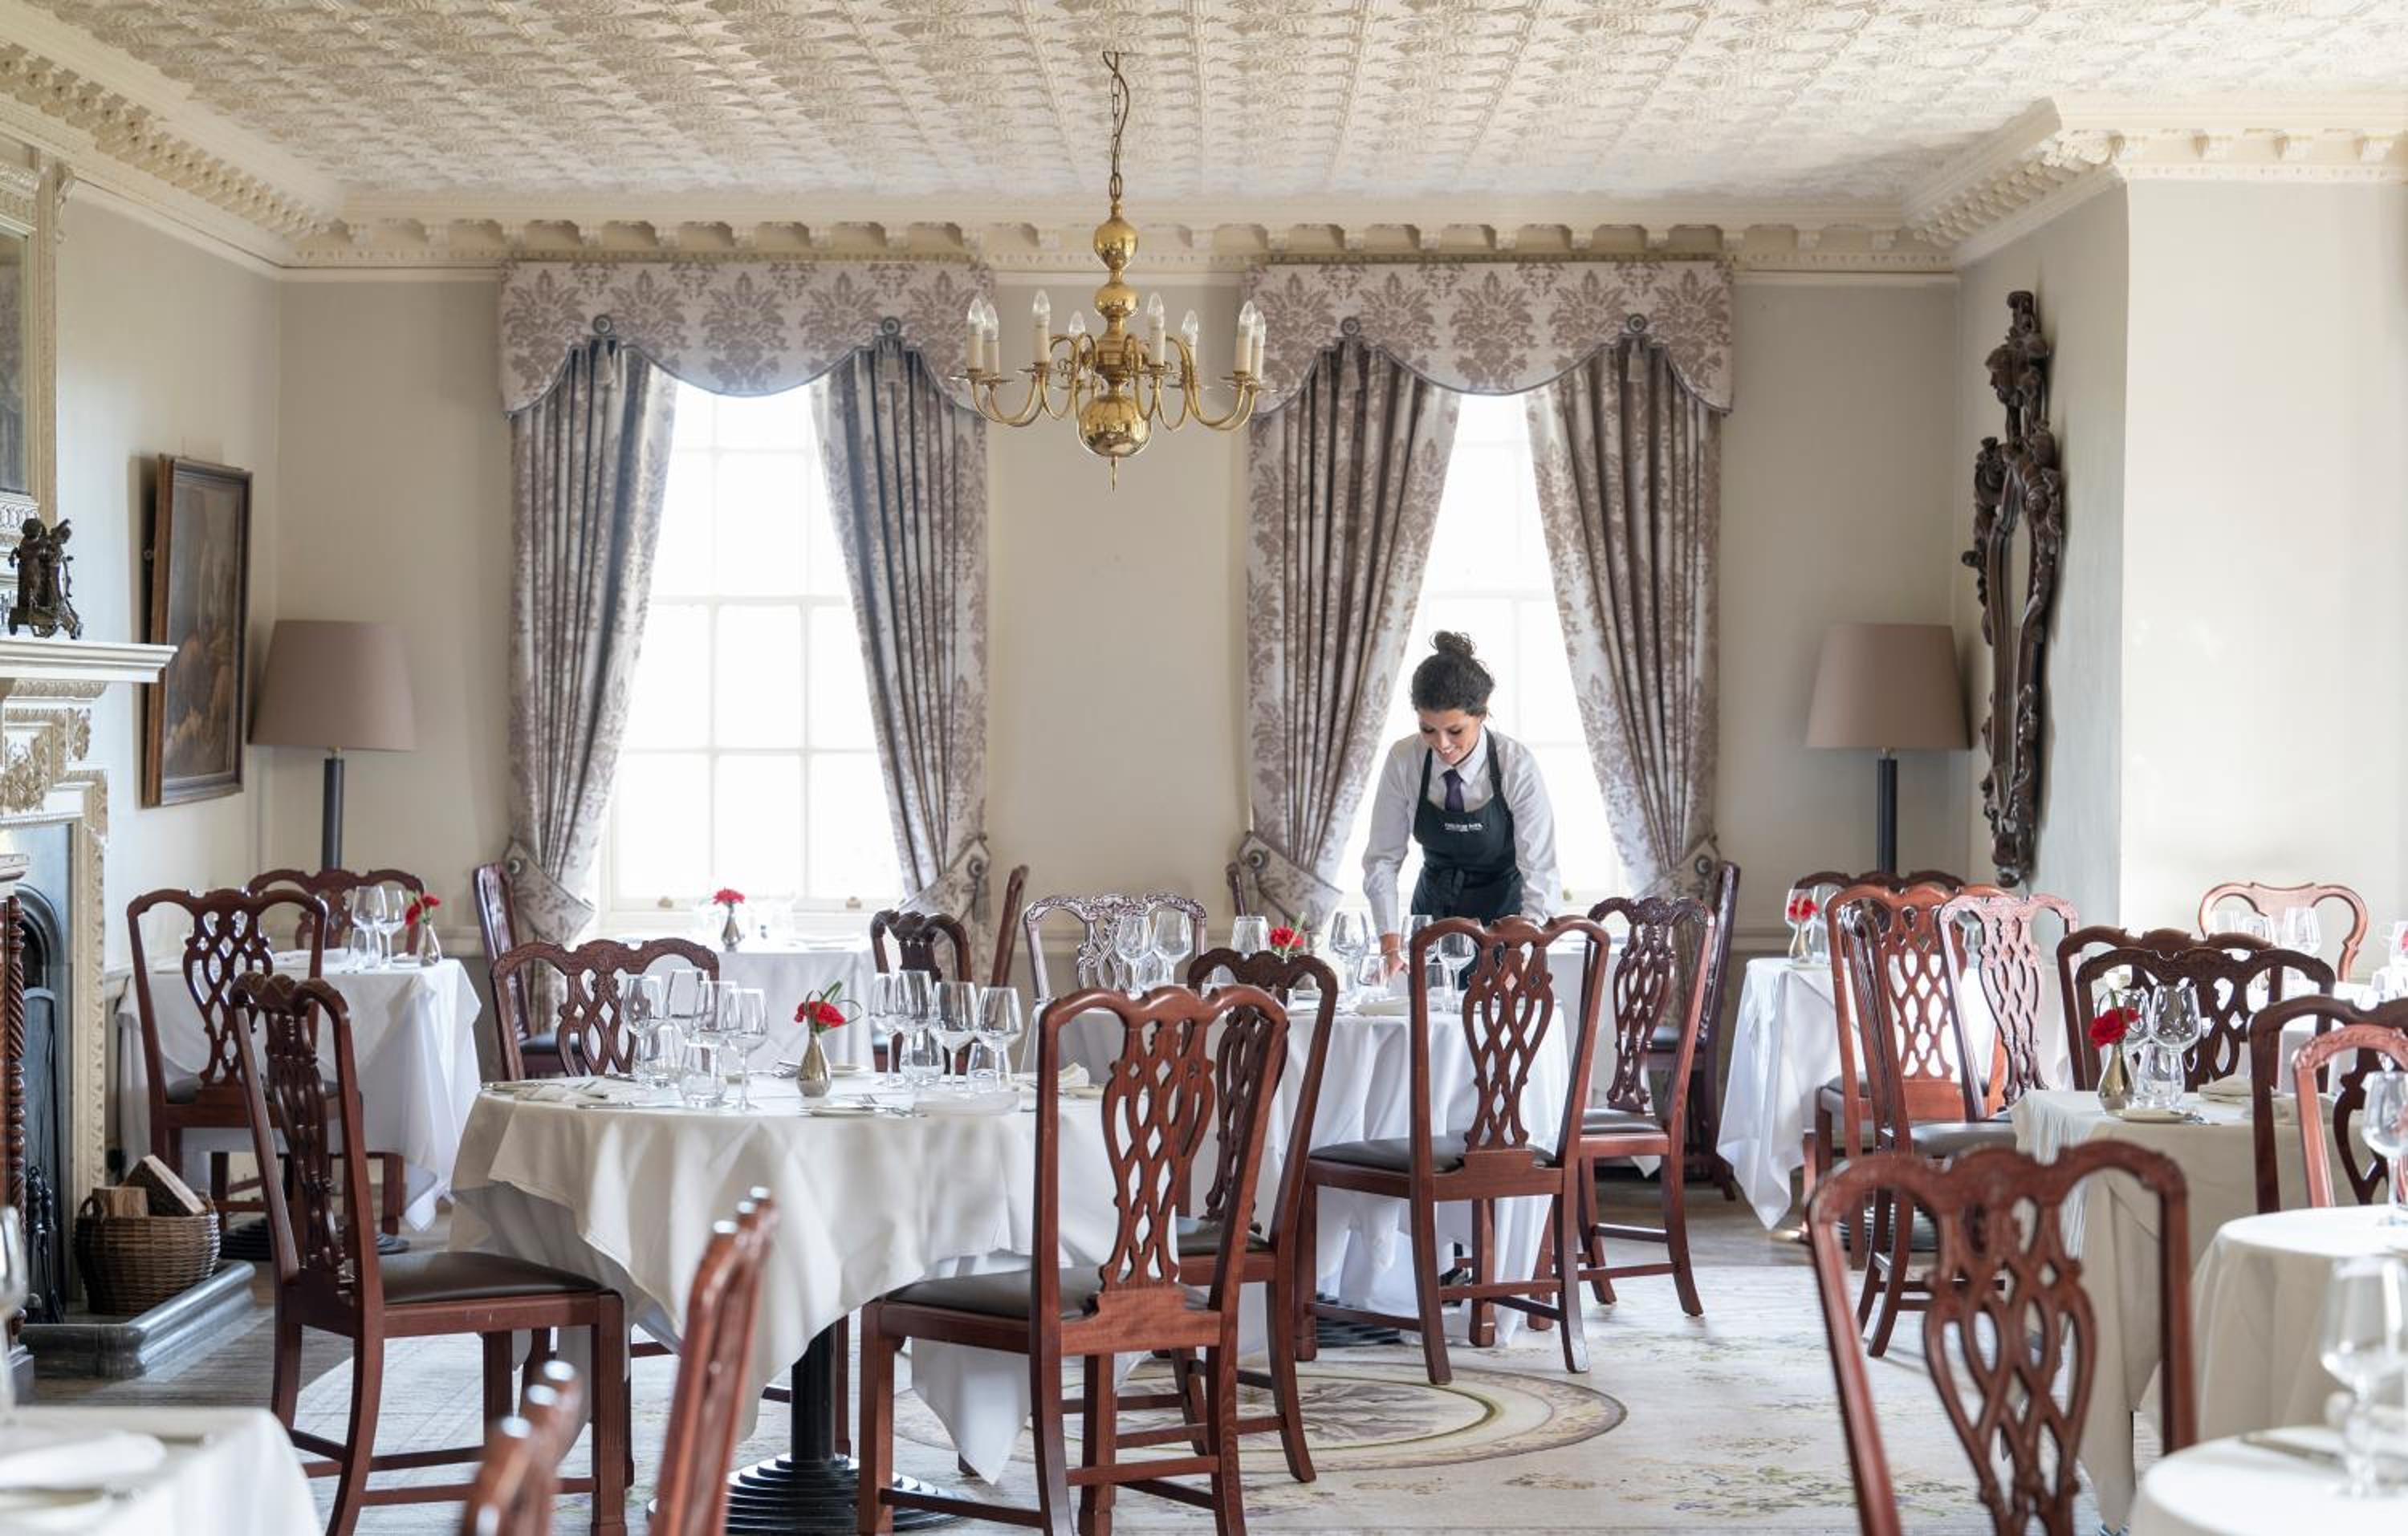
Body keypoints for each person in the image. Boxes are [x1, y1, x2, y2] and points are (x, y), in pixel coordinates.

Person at [1363, 632, 1561, 976]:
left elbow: (1540, 870)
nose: (1441, 744)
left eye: (1455, 731)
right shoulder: (1404, 759)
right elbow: (1382, 859)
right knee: (1429, 1009)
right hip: (1432, 918)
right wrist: (1391, 945)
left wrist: (1520, 956)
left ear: (1482, 714)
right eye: (1428, 729)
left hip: (1507, 924)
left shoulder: (1516, 765)